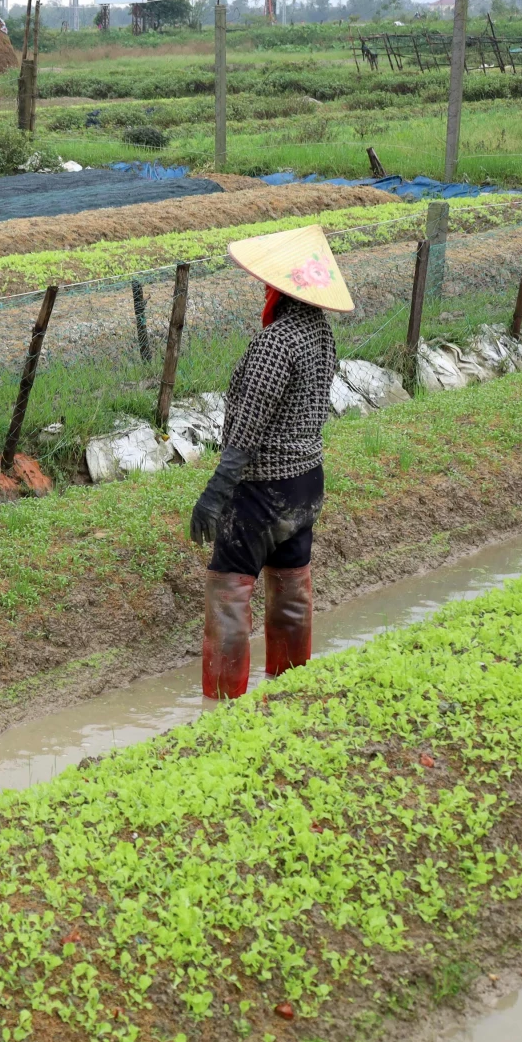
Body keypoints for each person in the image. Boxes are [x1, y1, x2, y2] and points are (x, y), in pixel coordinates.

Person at [188, 225, 352, 701]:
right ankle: (291, 688)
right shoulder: (320, 333)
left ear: (278, 289)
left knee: (229, 592)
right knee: (291, 586)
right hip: (306, 485)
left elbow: (247, 428)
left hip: (263, 490)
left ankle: (221, 702)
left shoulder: (274, 343)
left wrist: (215, 493)